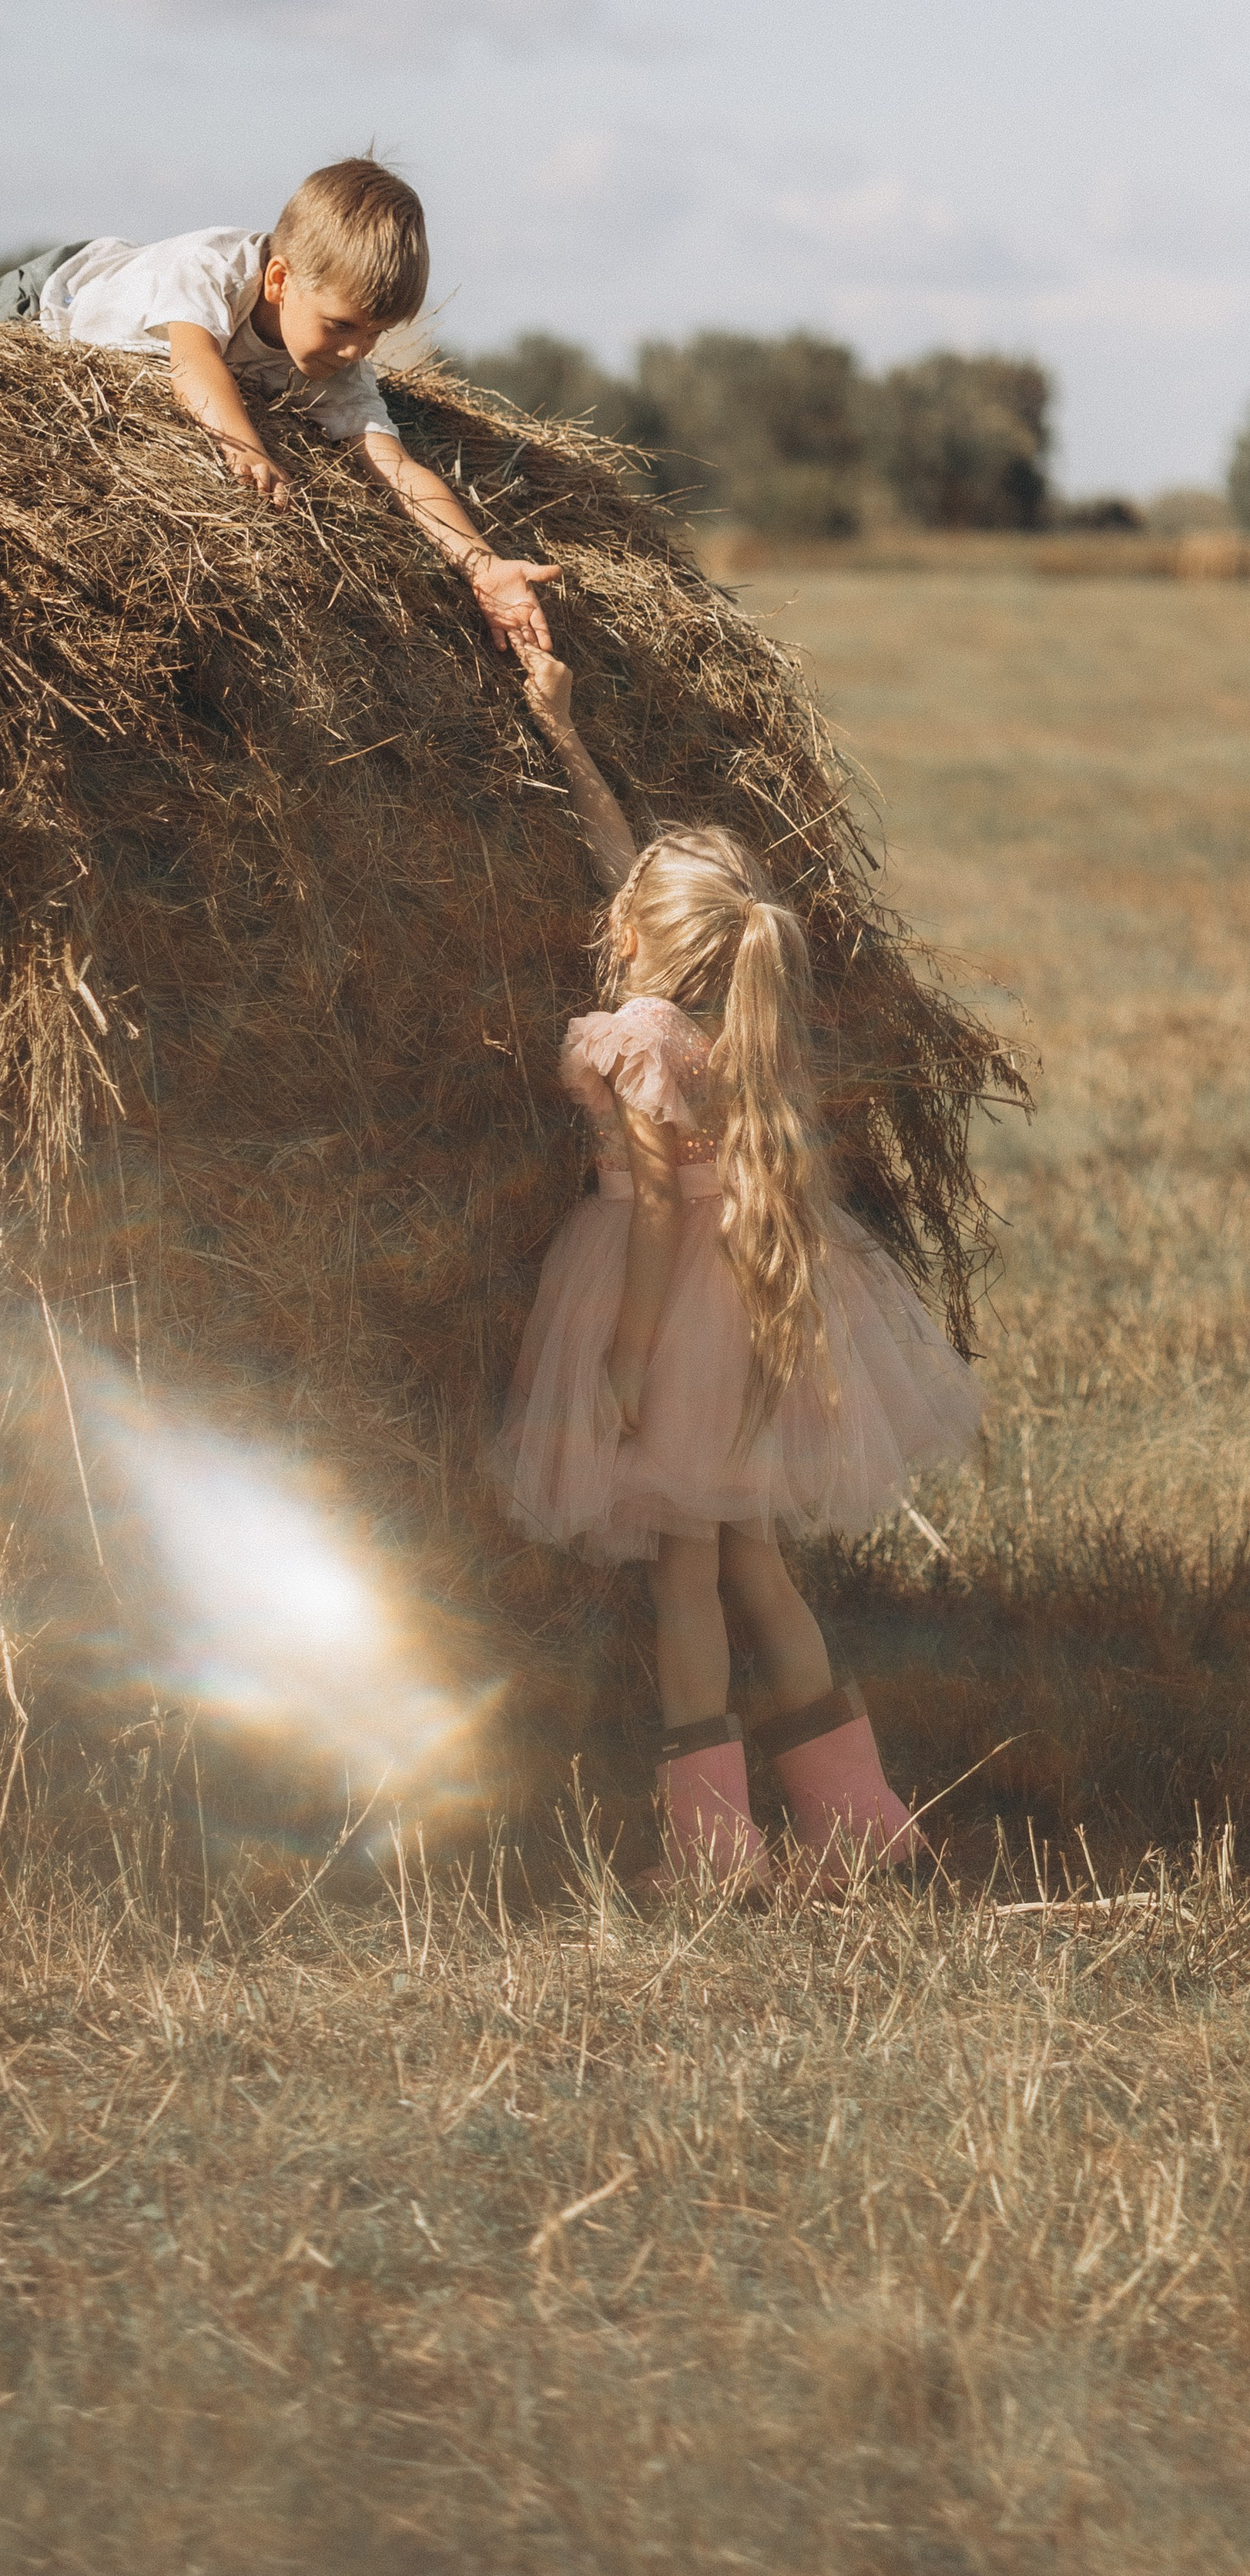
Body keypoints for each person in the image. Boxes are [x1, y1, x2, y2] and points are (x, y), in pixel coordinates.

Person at [494, 647, 984, 1896]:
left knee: (689, 1582)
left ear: (649, 939)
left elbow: (657, 1216)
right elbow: (637, 873)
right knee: (761, 1566)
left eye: (628, 909)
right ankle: (868, 1822)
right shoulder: (733, 1002)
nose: (612, 908)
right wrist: (565, 736)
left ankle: (715, 1854)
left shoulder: (645, 1031)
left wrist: (623, 1361)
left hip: (668, 1307)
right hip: (760, 1296)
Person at [0, 160, 557, 655]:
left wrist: (482, 563)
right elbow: (193, 364)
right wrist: (246, 447)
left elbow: (395, 468)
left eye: (375, 335)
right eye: (342, 325)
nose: (356, 350)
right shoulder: (208, 269)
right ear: (277, 282)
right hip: (46, 301)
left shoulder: (340, 367)